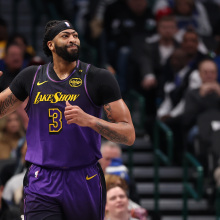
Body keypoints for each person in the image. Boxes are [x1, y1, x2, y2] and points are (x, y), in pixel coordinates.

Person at [0, 19, 135, 220]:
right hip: (42, 178)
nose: (73, 39)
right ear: (50, 45)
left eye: (75, 35)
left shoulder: (98, 78)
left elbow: (128, 135)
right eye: (65, 36)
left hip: (84, 177)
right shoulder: (31, 77)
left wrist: (89, 120)